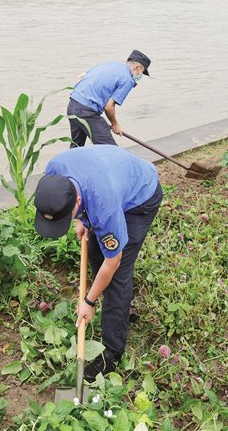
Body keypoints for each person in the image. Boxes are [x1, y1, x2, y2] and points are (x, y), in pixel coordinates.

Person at [33, 145, 163, 381]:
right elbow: (80, 198)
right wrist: (81, 217)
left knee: (117, 273)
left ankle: (111, 354)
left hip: (141, 196)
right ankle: (118, 307)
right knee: (95, 253)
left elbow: (113, 262)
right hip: (110, 176)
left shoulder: (104, 208)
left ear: (78, 200)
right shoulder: (55, 172)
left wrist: (89, 301)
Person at [67, 50, 151, 147]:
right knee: (110, 148)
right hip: (87, 112)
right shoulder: (127, 79)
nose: (140, 75)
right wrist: (115, 124)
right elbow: (109, 107)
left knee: (76, 147)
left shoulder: (109, 64)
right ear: (137, 67)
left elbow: (82, 76)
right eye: (142, 72)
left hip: (73, 105)